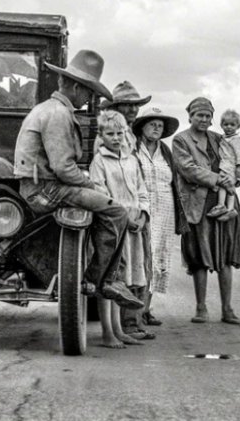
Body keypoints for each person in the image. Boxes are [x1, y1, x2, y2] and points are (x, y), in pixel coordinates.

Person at [14, 50, 143, 310]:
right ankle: (101, 280)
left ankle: (104, 277)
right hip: (46, 190)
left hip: (41, 187)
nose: (90, 98)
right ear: (75, 87)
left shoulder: (48, 109)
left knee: (103, 206)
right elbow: (63, 168)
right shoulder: (59, 114)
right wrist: (91, 185)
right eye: (88, 92)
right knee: (116, 211)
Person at [172, 97, 240, 325]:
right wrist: (218, 179)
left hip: (225, 202)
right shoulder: (181, 140)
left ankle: (228, 309)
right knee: (198, 257)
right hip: (198, 205)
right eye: (200, 115)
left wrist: (238, 174)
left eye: (208, 116)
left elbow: (235, 157)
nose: (204, 120)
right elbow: (187, 169)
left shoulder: (219, 138)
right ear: (190, 116)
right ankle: (201, 308)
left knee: (227, 255)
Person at [90, 110, 152, 345]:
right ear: (102, 135)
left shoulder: (131, 160)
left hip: (135, 227)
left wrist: (143, 215)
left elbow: (142, 190)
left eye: (120, 133)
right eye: (110, 133)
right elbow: (100, 193)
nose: (116, 138)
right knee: (109, 278)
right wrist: (124, 218)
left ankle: (119, 329)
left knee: (123, 280)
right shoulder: (99, 161)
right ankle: (107, 332)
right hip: (112, 228)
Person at [132, 104, 185, 327]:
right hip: (141, 208)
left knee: (158, 258)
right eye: (152, 124)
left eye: (160, 126)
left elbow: (175, 180)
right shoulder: (133, 148)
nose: (156, 128)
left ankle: (145, 309)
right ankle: (132, 311)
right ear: (142, 127)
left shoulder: (165, 151)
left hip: (165, 210)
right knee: (140, 258)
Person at [208, 109, 240, 221]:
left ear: (238, 126)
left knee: (223, 184)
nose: (229, 127)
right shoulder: (224, 138)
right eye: (226, 124)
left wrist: (239, 166)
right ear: (221, 125)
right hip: (225, 165)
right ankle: (230, 209)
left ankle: (221, 205)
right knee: (229, 187)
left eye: (232, 125)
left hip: (229, 166)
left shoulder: (236, 140)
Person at [99, 81, 152, 150]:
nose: (133, 110)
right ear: (116, 107)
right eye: (128, 105)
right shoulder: (111, 132)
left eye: (136, 105)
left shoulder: (129, 131)